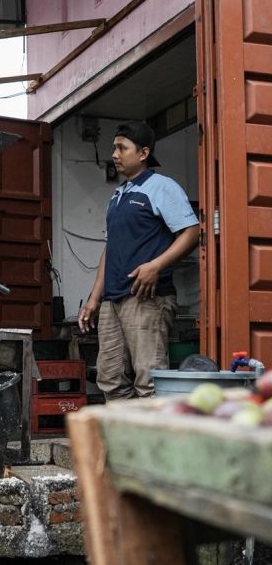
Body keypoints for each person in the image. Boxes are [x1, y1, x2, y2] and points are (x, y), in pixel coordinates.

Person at [78, 121, 199, 400]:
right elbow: (110, 249)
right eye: (114, 148)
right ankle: (127, 442)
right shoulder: (118, 195)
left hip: (147, 299)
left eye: (122, 148)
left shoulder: (161, 187)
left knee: (149, 380)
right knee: (110, 378)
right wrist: (95, 299)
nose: (115, 154)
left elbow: (192, 232)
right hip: (113, 300)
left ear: (143, 153)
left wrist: (156, 266)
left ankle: (154, 443)